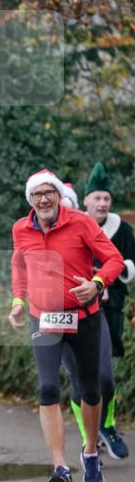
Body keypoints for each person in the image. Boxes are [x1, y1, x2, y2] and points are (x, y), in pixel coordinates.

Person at [9, 169, 124, 482]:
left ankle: (89, 451)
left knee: (90, 389)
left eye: (49, 192)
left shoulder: (81, 223)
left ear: (59, 196)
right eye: (37, 194)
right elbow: (19, 265)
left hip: (83, 318)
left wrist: (97, 282)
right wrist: (18, 301)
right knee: (47, 389)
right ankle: (60, 467)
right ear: (30, 199)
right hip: (43, 319)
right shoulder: (21, 228)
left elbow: (113, 259)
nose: (43, 199)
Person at [63, 162, 134, 460]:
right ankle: (87, 440)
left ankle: (106, 425)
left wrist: (102, 278)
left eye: (107, 198)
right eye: (98, 198)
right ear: (87, 201)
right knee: (79, 378)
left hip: (109, 308)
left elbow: (128, 264)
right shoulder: (72, 226)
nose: (103, 203)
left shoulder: (123, 230)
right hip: (73, 312)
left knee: (105, 376)